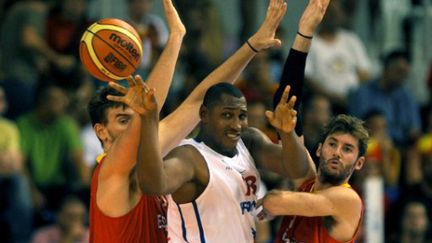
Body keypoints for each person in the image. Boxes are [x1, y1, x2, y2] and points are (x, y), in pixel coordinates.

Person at [109, 0, 331, 241]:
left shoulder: (250, 142)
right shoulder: (190, 157)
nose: (236, 124)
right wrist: (149, 120)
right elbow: (154, 185)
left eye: (241, 116)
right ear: (203, 115)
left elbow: (296, 168)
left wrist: (287, 133)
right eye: (227, 115)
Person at [258, 114, 369, 243]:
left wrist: (270, 200)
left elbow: (273, 202)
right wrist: (286, 131)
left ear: (359, 163)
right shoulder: (308, 182)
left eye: (347, 149)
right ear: (319, 149)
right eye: (332, 144)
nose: (337, 153)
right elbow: (294, 150)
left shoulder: (348, 199)